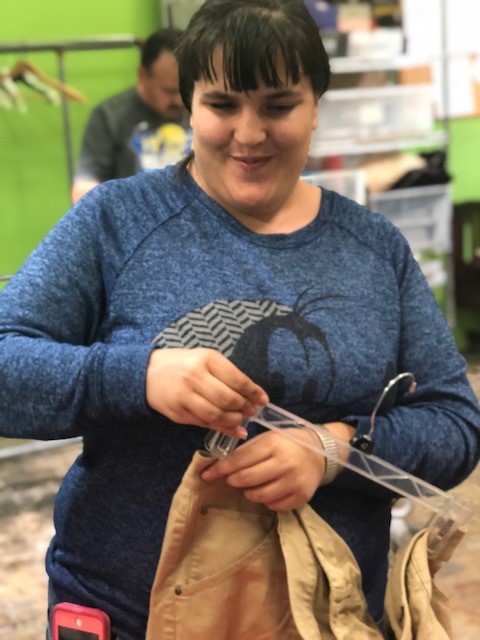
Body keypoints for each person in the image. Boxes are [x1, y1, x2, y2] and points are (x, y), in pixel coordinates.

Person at [0, 0, 479, 638]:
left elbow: (454, 422)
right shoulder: (116, 221)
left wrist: (333, 448)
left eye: (278, 106)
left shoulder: (374, 249)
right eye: (222, 104)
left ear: (315, 106)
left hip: (325, 618)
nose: (248, 135)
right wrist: (138, 376)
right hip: (127, 614)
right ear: (188, 105)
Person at [71, 28, 190, 203]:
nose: (180, 101)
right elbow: (84, 189)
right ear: (142, 76)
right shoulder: (110, 116)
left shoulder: (203, 107)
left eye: (185, 89)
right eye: (169, 91)